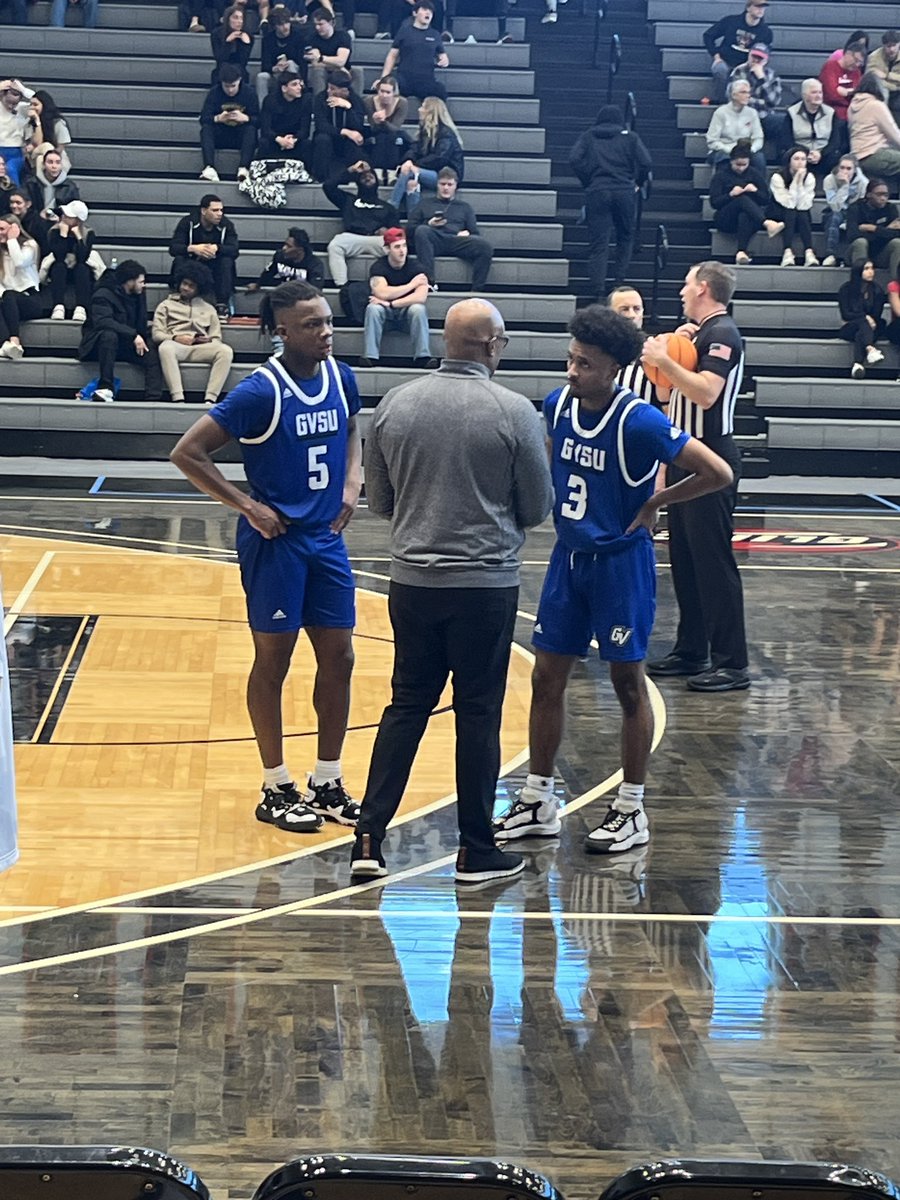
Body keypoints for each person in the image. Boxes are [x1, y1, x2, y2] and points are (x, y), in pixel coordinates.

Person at [492, 306, 732, 853]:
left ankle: (631, 808)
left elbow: (718, 472)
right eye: (571, 360)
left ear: (615, 369)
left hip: (621, 566)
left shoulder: (640, 420)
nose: (573, 372)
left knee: (628, 684)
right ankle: (538, 799)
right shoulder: (557, 405)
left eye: (586, 364)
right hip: (569, 560)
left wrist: (656, 503)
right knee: (546, 679)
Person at [350, 298, 553, 884]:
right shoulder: (514, 412)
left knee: (406, 704)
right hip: (484, 586)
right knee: (478, 713)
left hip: (411, 583)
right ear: (491, 345)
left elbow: (381, 503)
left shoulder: (395, 403)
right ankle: (475, 849)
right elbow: (537, 508)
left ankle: (368, 838)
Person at [170, 279, 363, 834]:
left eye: (327, 321)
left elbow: (353, 426)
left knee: (341, 658)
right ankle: (275, 784)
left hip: (325, 539)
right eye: (312, 325)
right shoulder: (260, 391)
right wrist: (246, 504)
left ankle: (326, 780)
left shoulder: (340, 375)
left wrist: (354, 478)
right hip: (275, 543)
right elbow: (187, 452)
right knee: (273, 662)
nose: (326, 332)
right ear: (282, 332)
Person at [643, 261, 749, 693]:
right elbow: (672, 397)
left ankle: (733, 662)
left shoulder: (722, 333)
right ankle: (692, 649)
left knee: (713, 561)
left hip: (713, 459)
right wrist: (669, 358)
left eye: (687, 284)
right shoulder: (698, 333)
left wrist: (665, 358)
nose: (681, 291)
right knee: (684, 560)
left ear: (704, 288)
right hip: (688, 456)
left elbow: (706, 393)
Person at [569, 104, 652, 301]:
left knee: (599, 243)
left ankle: (597, 290)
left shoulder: (589, 136)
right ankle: (618, 283)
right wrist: (637, 182)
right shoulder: (630, 137)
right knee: (625, 237)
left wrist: (587, 180)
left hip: (597, 190)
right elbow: (646, 162)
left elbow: (574, 159)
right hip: (624, 190)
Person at [78, 259, 163, 403]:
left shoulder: (138, 294)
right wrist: (133, 335)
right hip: (99, 345)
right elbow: (103, 322)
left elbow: (140, 323)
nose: (144, 285)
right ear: (130, 281)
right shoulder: (103, 294)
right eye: (141, 281)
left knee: (151, 350)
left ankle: (153, 398)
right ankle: (106, 387)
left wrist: (140, 336)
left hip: (126, 343)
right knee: (109, 335)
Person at [151, 261, 235, 404]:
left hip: (200, 348)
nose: (186, 288)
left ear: (199, 289)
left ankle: (211, 398)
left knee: (225, 351)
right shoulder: (166, 305)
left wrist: (207, 341)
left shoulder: (209, 309)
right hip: (177, 346)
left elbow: (216, 337)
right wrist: (176, 337)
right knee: (165, 347)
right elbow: (157, 334)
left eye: (191, 286)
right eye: (184, 283)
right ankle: (178, 397)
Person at [407, 166, 493, 290]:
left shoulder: (465, 207)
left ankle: (477, 291)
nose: (446, 188)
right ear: (437, 184)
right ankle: (429, 282)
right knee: (422, 230)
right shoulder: (425, 203)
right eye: (442, 184)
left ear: (455, 186)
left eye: (449, 184)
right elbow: (409, 229)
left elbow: (475, 232)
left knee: (485, 246)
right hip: (433, 240)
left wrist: (467, 234)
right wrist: (429, 224)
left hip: (456, 241)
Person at [360, 226, 434, 367]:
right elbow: (381, 293)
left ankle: (423, 356)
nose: (402, 251)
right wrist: (411, 285)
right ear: (387, 249)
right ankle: (370, 356)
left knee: (418, 309)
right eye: (397, 247)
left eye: (404, 246)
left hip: (406, 314)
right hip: (385, 315)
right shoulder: (378, 267)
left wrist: (391, 303)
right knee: (373, 308)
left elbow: (420, 297)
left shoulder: (417, 267)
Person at [323, 160, 398, 286]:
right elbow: (328, 186)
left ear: (377, 181)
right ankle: (342, 285)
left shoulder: (388, 207)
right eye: (363, 177)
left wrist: (388, 232)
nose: (367, 178)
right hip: (353, 237)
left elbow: (397, 232)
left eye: (371, 176)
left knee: (397, 247)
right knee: (335, 244)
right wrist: (351, 170)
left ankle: (392, 285)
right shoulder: (348, 200)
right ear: (357, 181)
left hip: (377, 240)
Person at [169, 193, 240, 315]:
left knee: (227, 261)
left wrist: (217, 248)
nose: (220, 214)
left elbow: (234, 250)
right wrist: (193, 249)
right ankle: (180, 296)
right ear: (203, 210)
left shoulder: (226, 225)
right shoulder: (188, 222)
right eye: (215, 210)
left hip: (214, 267)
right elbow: (173, 248)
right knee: (179, 259)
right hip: (192, 263)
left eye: (221, 210)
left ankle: (222, 304)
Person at [389, 96, 463, 212]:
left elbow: (439, 158)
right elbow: (414, 149)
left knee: (409, 171)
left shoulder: (446, 133)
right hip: (429, 171)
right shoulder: (425, 131)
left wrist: (415, 166)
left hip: (445, 174)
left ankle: (392, 207)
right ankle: (414, 219)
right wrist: (409, 160)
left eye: (423, 107)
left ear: (430, 112)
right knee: (410, 183)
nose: (419, 109)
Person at [709, 141, 777, 265]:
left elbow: (766, 199)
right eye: (737, 164)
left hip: (750, 219)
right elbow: (714, 202)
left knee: (745, 214)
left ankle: (741, 251)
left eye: (744, 164)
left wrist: (755, 191)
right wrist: (730, 195)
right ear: (731, 161)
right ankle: (766, 223)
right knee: (741, 198)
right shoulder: (721, 175)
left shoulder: (754, 174)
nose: (741, 168)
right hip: (726, 218)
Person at [607, 284, 667, 409]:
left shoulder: (654, 349)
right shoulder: (597, 350)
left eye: (637, 309)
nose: (631, 315)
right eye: (624, 309)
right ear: (610, 314)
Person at [702, 0, 773, 106]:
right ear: (748, 8)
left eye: (763, 7)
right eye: (757, 6)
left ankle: (744, 105)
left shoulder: (766, 31)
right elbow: (708, 36)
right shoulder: (731, 21)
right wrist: (716, 56)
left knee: (755, 74)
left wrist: (756, 65)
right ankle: (724, 104)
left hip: (748, 65)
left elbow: (766, 52)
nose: (761, 10)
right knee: (719, 69)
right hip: (725, 60)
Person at [199, 62, 259, 184]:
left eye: (233, 86)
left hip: (240, 135)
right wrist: (218, 118)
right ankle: (209, 167)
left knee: (251, 129)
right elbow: (204, 118)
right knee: (206, 129)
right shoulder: (214, 93)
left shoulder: (249, 93)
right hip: (221, 134)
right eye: (226, 86)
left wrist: (246, 118)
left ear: (240, 80)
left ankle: (244, 168)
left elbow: (259, 120)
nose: (230, 90)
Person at [381, 0, 449, 103]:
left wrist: (444, 60)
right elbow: (392, 56)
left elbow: (443, 55)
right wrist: (384, 78)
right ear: (415, 13)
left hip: (426, 81)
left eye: (430, 11)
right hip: (404, 80)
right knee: (387, 89)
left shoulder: (435, 34)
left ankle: (434, 119)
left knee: (441, 91)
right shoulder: (404, 31)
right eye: (425, 10)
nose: (428, 13)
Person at [0, 214, 47, 360]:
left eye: (2, 229)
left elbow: (19, 261)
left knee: (9, 295)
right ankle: (7, 345)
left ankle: (15, 340)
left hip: (30, 299)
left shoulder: (30, 246)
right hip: (7, 301)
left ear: (15, 229)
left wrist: (12, 239)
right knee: (5, 297)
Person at [310, 68, 366, 181]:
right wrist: (344, 131)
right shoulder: (320, 99)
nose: (329, 91)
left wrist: (348, 108)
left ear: (344, 90)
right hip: (329, 136)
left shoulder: (356, 100)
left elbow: (358, 126)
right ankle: (320, 177)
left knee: (356, 142)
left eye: (333, 89)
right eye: (328, 87)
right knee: (322, 139)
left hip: (346, 140)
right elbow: (321, 125)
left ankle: (354, 176)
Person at [45, 198, 95, 322]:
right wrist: (63, 235)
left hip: (77, 268)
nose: (63, 217)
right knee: (59, 266)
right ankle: (58, 305)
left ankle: (81, 307)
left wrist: (78, 237)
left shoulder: (88, 234)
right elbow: (59, 255)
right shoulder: (54, 231)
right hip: (60, 268)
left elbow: (83, 257)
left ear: (77, 220)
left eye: (68, 216)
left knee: (82, 269)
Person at [780, 78, 841, 178]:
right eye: (814, 92)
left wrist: (821, 153)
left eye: (820, 92)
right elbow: (786, 140)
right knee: (794, 159)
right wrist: (805, 153)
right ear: (804, 95)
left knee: (836, 158)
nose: (818, 96)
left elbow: (835, 141)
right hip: (800, 152)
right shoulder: (792, 113)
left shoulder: (831, 113)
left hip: (824, 154)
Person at [768, 145, 818, 266]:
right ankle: (787, 251)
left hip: (799, 213)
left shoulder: (810, 177)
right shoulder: (777, 177)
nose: (800, 163)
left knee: (801, 213)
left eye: (803, 159)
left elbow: (804, 205)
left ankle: (809, 252)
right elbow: (788, 203)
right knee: (791, 212)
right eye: (796, 159)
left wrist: (800, 181)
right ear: (789, 161)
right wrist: (796, 181)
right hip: (778, 212)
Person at [706, 79, 766, 177]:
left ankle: (759, 189)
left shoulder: (752, 113)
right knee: (723, 159)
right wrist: (729, 150)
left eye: (748, 92)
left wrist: (751, 150)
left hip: (746, 150)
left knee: (759, 159)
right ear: (733, 95)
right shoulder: (720, 112)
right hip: (724, 149)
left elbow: (758, 138)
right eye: (743, 92)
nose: (748, 95)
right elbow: (712, 141)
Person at [837, 259, 886, 378]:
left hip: (870, 327)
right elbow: (846, 314)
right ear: (858, 271)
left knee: (868, 328)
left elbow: (876, 315)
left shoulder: (877, 290)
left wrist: (868, 319)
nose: (871, 272)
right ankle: (870, 349)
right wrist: (864, 317)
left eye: (872, 268)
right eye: (866, 269)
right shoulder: (846, 289)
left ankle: (858, 364)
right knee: (863, 323)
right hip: (850, 326)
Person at [848, 72, 900, 181]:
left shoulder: (852, 106)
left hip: (857, 156)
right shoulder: (876, 105)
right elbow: (894, 134)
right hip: (874, 154)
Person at [846, 176, 900, 275]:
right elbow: (852, 235)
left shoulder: (890, 208)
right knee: (861, 242)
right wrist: (886, 230)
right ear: (869, 194)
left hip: (880, 254)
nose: (883, 198)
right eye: (879, 194)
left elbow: (897, 234)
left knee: (897, 243)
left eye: (886, 195)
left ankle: (895, 287)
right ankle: (859, 285)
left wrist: (873, 228)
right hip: (857, 254)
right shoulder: (856, 208)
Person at [729, 42, 783, 139]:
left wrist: (762, 79)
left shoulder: (771, 75)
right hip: (742, 115)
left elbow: (774, 102)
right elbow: (737, 99)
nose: (756, 60)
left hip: (764, 116)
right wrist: (763, 103)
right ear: (749, 55)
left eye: (760, 58)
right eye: (754, 56)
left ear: (765, 61)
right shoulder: (739, 71)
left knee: (782, 121)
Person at [821, 154, 868, 266]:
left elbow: (861, 206)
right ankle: (830, 254)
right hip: (835, 210)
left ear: (855, 170)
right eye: (842, 167)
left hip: (854, 212)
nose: (844, 171)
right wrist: (845, 186)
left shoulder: (863, 182)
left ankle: (850, 259)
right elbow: (835, 207)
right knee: (834, 217)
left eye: (848, 168)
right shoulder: (829, 180)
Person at [247, 226, 325, 291]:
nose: (284, 248)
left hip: (304, 300)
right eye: (285, 244)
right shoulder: (280, 256)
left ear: (300, 250)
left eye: (289, 246)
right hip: (284, 297)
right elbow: (269, 272)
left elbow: (316, 290)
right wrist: (258, 284)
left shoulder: (315, 265)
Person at [256, 4, 307, 103]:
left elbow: (302, 63)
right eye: (281, 24)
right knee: (261, 77)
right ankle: (264, 108)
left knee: (291, 64)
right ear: (274, 26)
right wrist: (275, 68)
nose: (285, 27)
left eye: (287, 23)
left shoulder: (298, 37)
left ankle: (295, 102)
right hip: (276, 73)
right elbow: (265, 65)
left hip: (295, 74)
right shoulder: (268, 39)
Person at [257, 72, 312, 161]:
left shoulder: (305, 101)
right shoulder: (270, 100)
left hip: (294, 140)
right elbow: (265, 129)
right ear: (284, 88)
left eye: (299, 84)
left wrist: (293, 139)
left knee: (307, 144)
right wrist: (280, 140)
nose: (299, 88)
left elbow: (305, 130)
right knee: (264, 143)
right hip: (275, 139)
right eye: (294, 85)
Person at [363, 76, 409, 178]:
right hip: (376, 133)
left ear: (394, 93)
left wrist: (383, 122)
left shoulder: (402, 103)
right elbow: (374, 128)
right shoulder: (369, 101)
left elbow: (396, 128)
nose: (384, 95)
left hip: (394, 134)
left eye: (388, 92)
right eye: (381, 91)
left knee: (393, 137)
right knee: (380, 136)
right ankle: (378, 172)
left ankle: (391, 172)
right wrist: (376, 121)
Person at [820, 37, 866, 130]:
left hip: (851, 115)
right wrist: (849, 93)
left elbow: (857, 95)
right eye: (856, 60)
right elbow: (831, 95)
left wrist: (845, 92)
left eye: (860, 63)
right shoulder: (830, 67)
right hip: (831, 113)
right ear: (847, 54)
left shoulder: (856, 72)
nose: (857, 65)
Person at [304, 8, 353, 95]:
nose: (317, 28)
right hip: (328, 70)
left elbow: (341, 60)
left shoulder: (343, 36)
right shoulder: (312, 38)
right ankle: (319, 102)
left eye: (321, 24)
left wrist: (321, 58)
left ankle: (355, 103)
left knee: (358, 72)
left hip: (343, 72)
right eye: (315, 24)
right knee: (318, 70)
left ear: (331, 23)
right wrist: (337, 66)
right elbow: (315, 63)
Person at [24, 90, 72, 173]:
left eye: (35, 105)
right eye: (31, 104)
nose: (32, 107)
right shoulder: (30, 123)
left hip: (56, 156)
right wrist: (37, 121)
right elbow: (37, 144)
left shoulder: (57, 122)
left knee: (46, 152)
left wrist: (49, 159)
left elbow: (60, 147)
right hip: (36, 156)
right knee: (45, 148)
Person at [27, 146, 79, 220]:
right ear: (44, 164)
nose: (54, 166)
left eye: (58, 163)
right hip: (36, 221)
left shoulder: (70, 187)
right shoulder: (31, 184)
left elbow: (74, 209)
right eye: (50, 162)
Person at [211, 3, 254, 83]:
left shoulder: (248, 35)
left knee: (241, 72)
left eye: (241, 18)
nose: (239, 21)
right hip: (222, 68)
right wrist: (228, 42)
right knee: (220, 71)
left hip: (240, 69)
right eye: (235, 18)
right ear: (228, 19)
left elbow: (243, 62)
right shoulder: (216, 34)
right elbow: (220, 59)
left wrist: (245, 45)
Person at [0, 79, 32, 187]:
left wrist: (22, 89)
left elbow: (40, 100)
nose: (11, 106)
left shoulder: (23, 108)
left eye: (14, 103)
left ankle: (15, 197)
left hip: (15, 152)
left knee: (11, 170)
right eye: (8, 102)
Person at [6, 188, 51, 255]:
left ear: (28, 204)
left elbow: (44, 246)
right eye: (11, 202)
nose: (14, 206)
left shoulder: (38, 223)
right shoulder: (7, 219)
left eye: (18, 203)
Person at [868, 29, 900, 121]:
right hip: (881, 91)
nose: (892, 49)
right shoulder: (874, 57)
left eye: (894, 46)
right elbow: (870, 77)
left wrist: (887, 76)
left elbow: (882, 75)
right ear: (883, 46)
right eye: (888, 46)